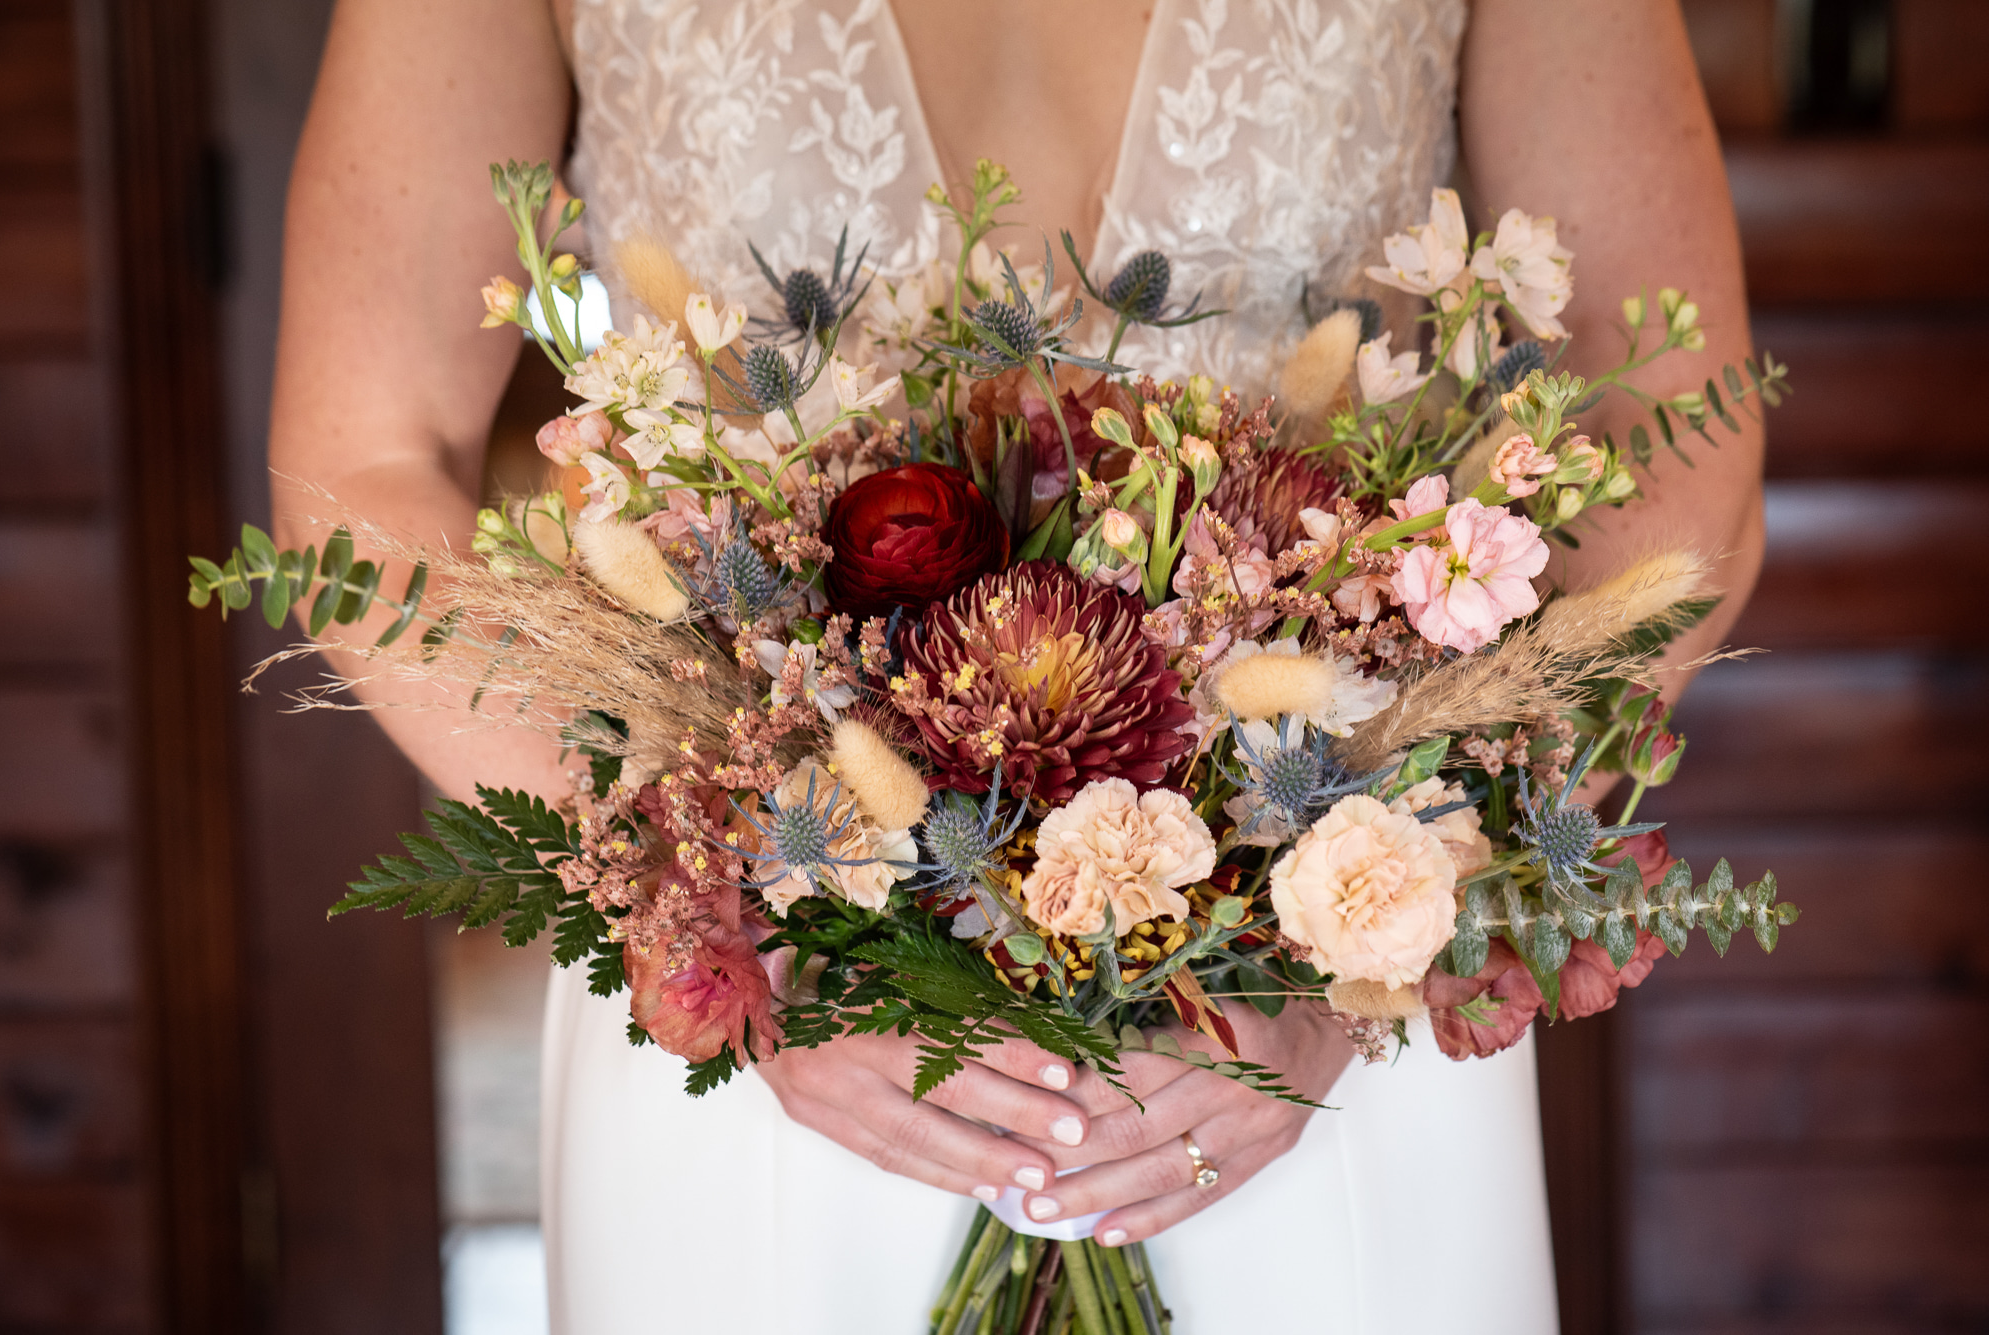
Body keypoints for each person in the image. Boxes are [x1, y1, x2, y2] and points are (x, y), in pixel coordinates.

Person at [272, 0, 1764, 1328]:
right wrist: (713, 907)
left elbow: (1674, 452)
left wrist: (1363, 927)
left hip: (1318, 1026)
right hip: (769, 1030)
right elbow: (366, 457)